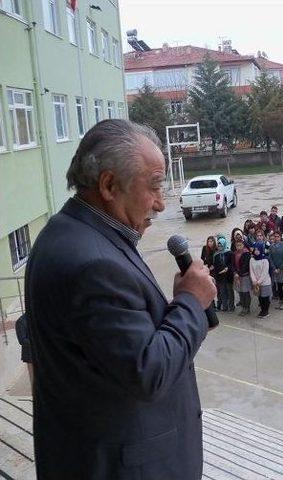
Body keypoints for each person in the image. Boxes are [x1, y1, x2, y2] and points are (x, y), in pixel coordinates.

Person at [25, 120, 216, 480]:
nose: (161, 204)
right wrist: (191, 302)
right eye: (155, 186)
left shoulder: (73, 232)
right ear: (109, 185)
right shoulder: (92, 264)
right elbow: (148, 370)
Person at [249, 242, 272, 318]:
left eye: (258, 250)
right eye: (255, 249)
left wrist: (258, 282)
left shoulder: (265, 260)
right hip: (256, 283)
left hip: (265, 282)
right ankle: (262, 310)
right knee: (260, 297)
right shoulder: (252, 260)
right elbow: (251, 271)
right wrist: (254, 281)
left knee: (265, 297)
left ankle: (266, 311)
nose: (256, 251)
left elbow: (264, 273)